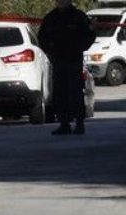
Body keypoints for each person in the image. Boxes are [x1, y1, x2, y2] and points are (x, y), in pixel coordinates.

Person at [37, 0, 96, 135]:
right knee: (60, 93)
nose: (60, 2)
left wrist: (79, 48)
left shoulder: (78, 17)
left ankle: (79, 123)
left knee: (76, 93)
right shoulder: (51, 18)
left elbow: (89, 35)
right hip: (58, 61)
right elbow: (42, 38)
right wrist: (50, 51)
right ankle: (64, 124)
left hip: (74, 61)